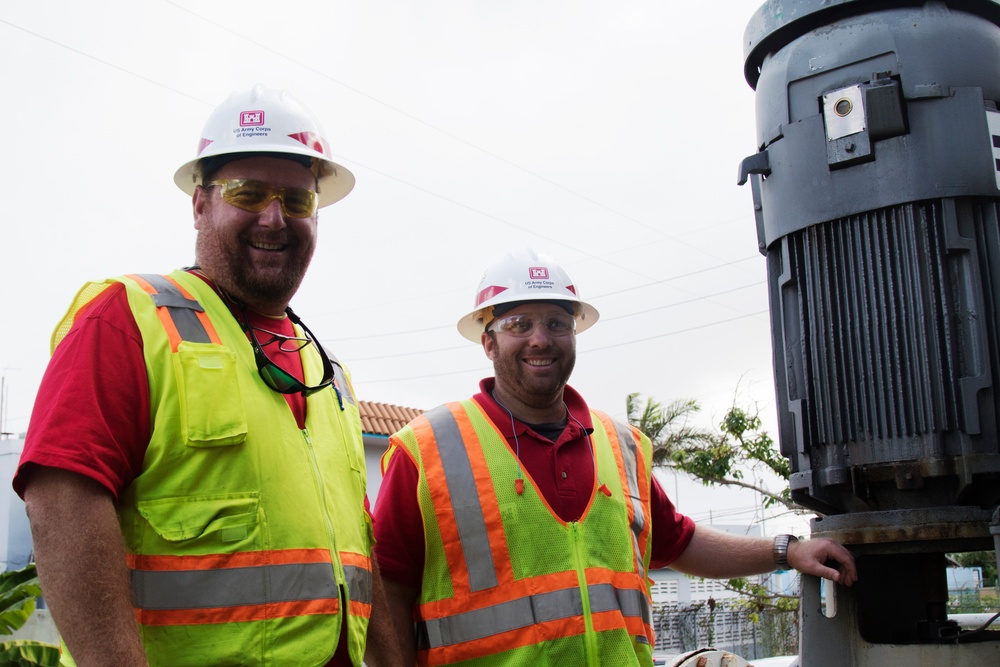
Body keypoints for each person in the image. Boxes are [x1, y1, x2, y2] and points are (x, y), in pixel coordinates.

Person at [15, 85, 401, 667]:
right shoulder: (127, 317)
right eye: (249, 193)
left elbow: (357, 553)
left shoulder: (331, 378)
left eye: (297, 201)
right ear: (200, 204)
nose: (275, 217)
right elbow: (61, 500)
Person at [372, 248, 858, 666]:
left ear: (574, 335)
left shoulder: (618, 444)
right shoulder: (428, 449)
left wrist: (787, 551)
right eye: (519, 323)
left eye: (557, 323)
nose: (540, 338)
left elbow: (678, 541)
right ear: (488, 341)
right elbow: (384, 588)